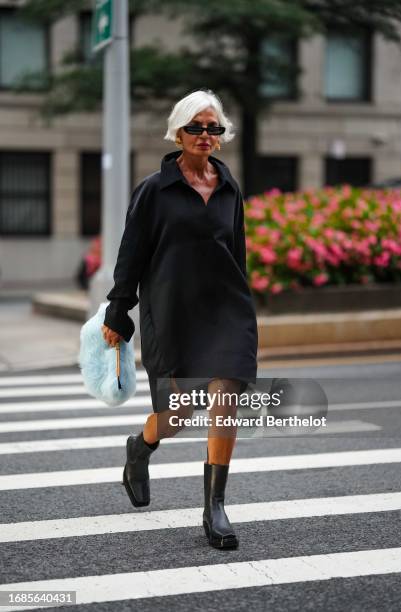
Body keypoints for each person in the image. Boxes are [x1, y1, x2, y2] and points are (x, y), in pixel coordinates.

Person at [101, 89, 258, 550]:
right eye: (196, 127)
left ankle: (215, 507)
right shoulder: (154, 190)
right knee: (178, 414)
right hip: (171, 311)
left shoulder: (229, 188)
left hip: (226, 310)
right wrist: (118, 309)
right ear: (179, 131)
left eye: (214, 128)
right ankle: (140, 447)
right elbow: (131, 255)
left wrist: (245, 306)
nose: (205, 135)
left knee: (226, 394)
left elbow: (238, 253)